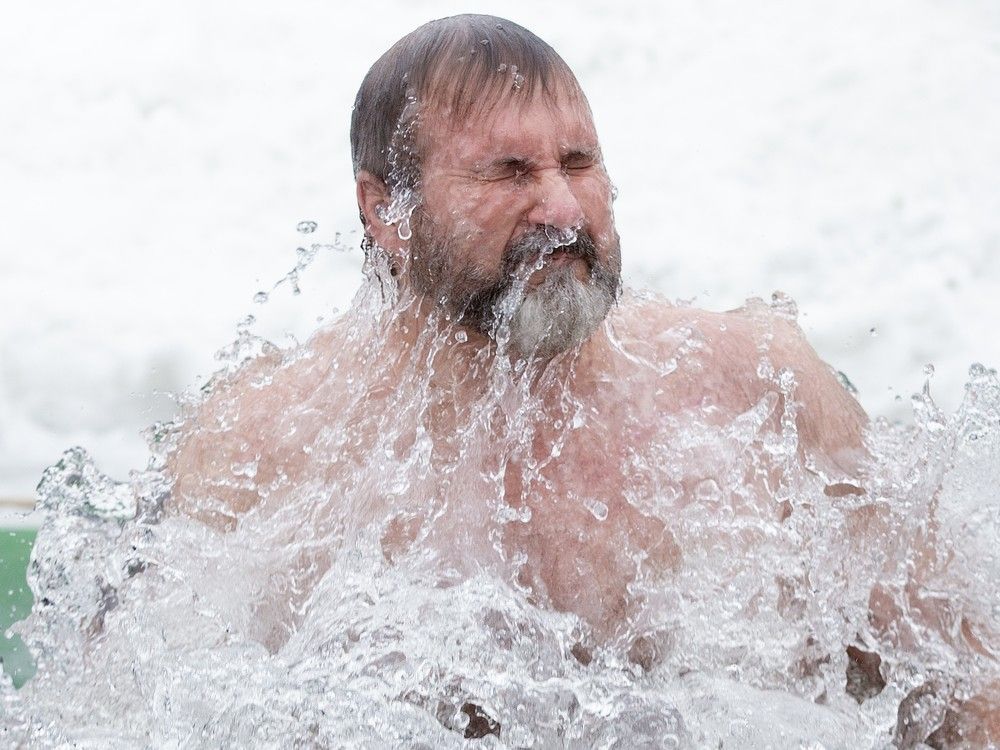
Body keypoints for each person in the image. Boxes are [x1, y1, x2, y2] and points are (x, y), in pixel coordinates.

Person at [167, 14, 997, 745]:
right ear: (385, 211)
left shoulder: (753, 392)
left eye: (578, 163)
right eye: (508, 172)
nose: (565, 210)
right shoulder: (265, 450)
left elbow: (970, 684)